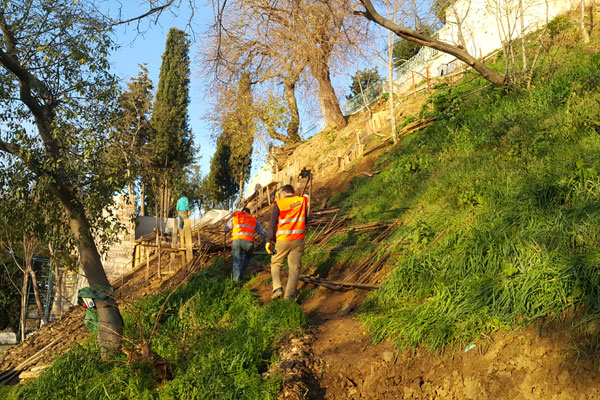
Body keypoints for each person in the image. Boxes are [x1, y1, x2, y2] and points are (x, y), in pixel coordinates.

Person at [266, 184, 308, 300]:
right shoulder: (302, 201)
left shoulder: (279, 203)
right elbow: (305, 220)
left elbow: (272, 224)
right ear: (293, 192)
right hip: (298, 240)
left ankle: (277, 288)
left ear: (284, 193)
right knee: (294, 269)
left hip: (283, 240)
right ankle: (289, 298)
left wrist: (269, 240)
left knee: (276, 264)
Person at [224, 207, 267, 282]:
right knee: (248, 256)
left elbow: (226, 228)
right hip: (248, 242)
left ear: (242, 212)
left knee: (236, 260)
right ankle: (241, 272)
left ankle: (236, 282)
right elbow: (263, 232)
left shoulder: (235, 217)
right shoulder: (253, 219)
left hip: (236, 241)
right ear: (249, 213)